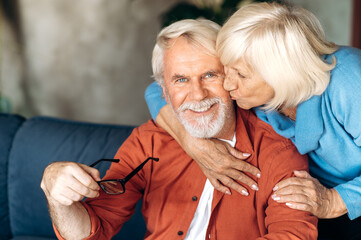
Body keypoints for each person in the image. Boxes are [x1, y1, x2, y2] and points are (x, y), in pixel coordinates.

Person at [41, 19, 318, 240]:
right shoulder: (148, 142)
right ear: (164, 90)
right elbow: (92, 230)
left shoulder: (277, 148)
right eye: (181, 79)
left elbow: (293, 233)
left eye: (210, 75)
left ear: (232, 77)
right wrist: (58, 198)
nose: (197, 95)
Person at [145, 1, 361, 239]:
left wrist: (335, 201)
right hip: (317, 209)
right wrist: (194, 143)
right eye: (227, 71)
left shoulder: (349, 81)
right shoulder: (253, 94)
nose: (227, 85)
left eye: (241, 75)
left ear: (279, 75)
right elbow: (158, 90)